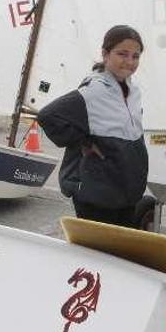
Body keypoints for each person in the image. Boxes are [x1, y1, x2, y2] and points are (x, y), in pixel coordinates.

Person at [38, 25, 148, 227]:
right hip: (98, 195)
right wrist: (84, 142)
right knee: (98, 255)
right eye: (122, 54)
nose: (130, 61)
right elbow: (48, 116)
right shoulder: (94, 91)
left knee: (119, 254)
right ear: (106, 54)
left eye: (136, 56)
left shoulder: (134, 91)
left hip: (126, 192)